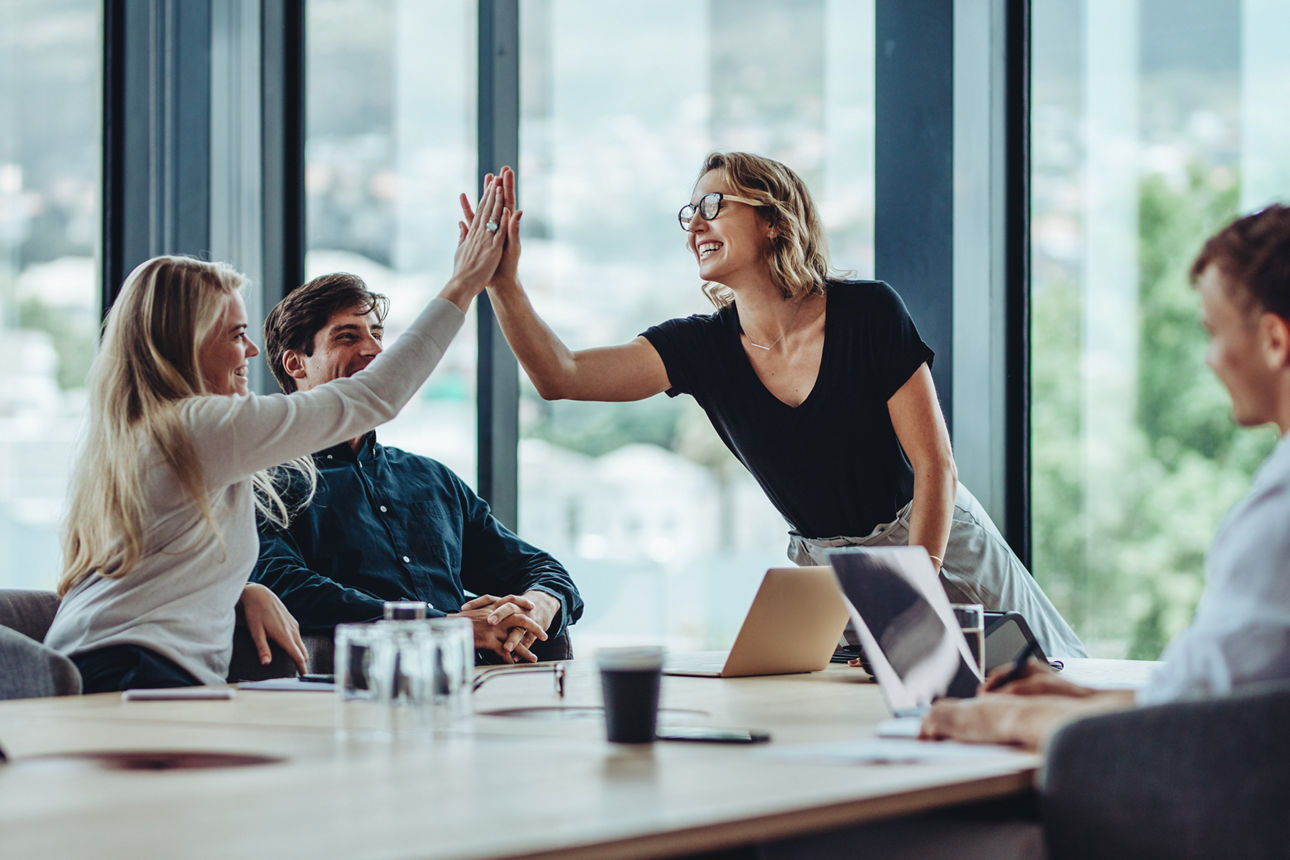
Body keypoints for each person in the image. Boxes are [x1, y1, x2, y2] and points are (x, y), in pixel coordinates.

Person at [474, 154, 1085, 659]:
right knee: (865, 722)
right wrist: (503, 283)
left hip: (935, 539)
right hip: (829, 572)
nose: (695, 225)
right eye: (690, 212)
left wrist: (911, 588)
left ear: (772, 219)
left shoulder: (869, 312)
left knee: (1050, 681)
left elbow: (935, 468)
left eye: (715, 204)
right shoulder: (700, 347)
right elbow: (561, 375)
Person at [43, 176, 512, 693]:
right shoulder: (195, 426)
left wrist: (242, 589)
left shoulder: (147, 432)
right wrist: (463, 285)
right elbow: (373, 398)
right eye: (235, 335)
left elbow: (159, 564)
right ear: (186, 343)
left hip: (104, 662)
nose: (251, 352)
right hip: (132, 671)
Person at [921, 203, 1290, 750]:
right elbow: (1219, 696)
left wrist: (998, 720)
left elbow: (1187, 726)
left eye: (1214, 333)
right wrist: (1074, 696)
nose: (1210, 360)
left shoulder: (1277, 520)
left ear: (1274, 340)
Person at [252, 273, 583, 664]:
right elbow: (283, 584)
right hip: (357, 691)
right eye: (347, 336)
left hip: (476, 689)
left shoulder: (431, 478)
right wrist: (441, 625)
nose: (374, 349)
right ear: (296, 363)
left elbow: (539, 567)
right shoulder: (265, 482)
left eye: (376, 334)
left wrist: (538, 605)